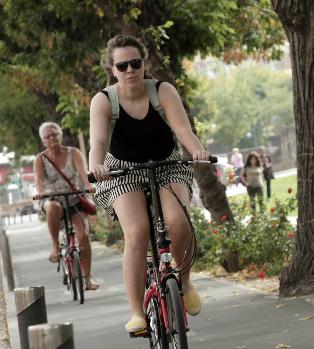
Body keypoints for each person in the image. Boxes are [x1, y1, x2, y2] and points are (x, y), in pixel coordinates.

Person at [88, 35, 210, 333]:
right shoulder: (104, 100)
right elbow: (99, 142)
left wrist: (197, 150)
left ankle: (184, 283)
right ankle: (137, 313)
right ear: (112, 68)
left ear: (144, 64)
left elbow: (182, 129)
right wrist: (95, 165)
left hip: (166, 164)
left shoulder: (162, 91)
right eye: (122, 65)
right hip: (121, 171)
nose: (130, 70)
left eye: (135, 63)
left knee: (179, 223)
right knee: (137, 230)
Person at [33, 122, 99, 290]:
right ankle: (55, 245)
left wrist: (88, 185)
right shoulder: (40, 159)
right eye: (47, 136)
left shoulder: (73, 153)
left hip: (74, 197)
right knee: (53, 207)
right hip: (52, 198)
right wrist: (41, 192)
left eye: (54, 134)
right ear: (43, 141)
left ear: (61, 135)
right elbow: (39, 181)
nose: (52, 138)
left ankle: (88, 278)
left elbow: (84, 174)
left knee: (83, 237)